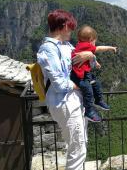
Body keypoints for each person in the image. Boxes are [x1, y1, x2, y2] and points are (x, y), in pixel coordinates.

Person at [37, 9, 94, 170]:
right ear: (63, 26)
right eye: (70, 26)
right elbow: (59, 83)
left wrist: (89, 56)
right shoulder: (48, 49)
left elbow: (82, 65)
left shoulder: (66, 46)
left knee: (81, 144)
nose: (72, 31)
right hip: (65, 102)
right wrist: (80, 85)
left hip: (75, 100)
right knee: (77, 147)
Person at [70, 25, 117, 122]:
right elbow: (98, 49)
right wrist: (110, 48)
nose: (94, 44)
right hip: (80, 77)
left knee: (96, 83)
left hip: (84, 74)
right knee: (88, 92)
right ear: (91, 39)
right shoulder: (86, 45)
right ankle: (89, 111)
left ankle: (99, 101)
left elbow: (89, 57)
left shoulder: (80, 46)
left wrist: (96, 63)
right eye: (94, 41)